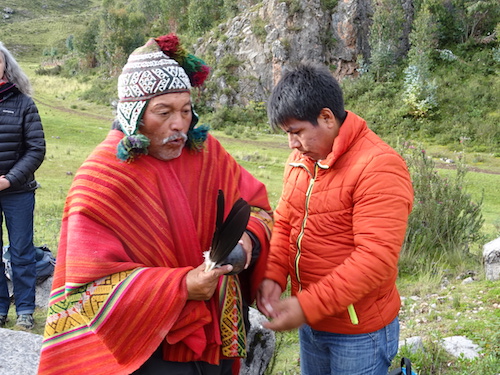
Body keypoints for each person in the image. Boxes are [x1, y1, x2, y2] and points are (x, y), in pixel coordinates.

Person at [38, 34, 273, 375]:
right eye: (164, 112)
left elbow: (257, 209)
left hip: (218, 337)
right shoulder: (103, 177)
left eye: (186, 110)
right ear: (134, 115)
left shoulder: (207, 154)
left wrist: (245, 243)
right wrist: (181, 287)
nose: (179, 124)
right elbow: (87, 290)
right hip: (149, 352)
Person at [257, 62, 414, 375]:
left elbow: (375, 260)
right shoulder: (301, 161)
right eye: (288, 134)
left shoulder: (379, 167)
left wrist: (304, 307)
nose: (292, 144)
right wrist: (274, 276)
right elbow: (286, 224)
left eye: (297, 132)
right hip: (313, 323)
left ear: (327, 118)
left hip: (359, 333)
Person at [0, 41, 46, 330]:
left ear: (6, 65)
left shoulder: (23, 103)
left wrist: (8, 180)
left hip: (17, 192)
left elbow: (36, 149)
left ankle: (26, 311)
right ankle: (0, 309)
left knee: (21, 251)